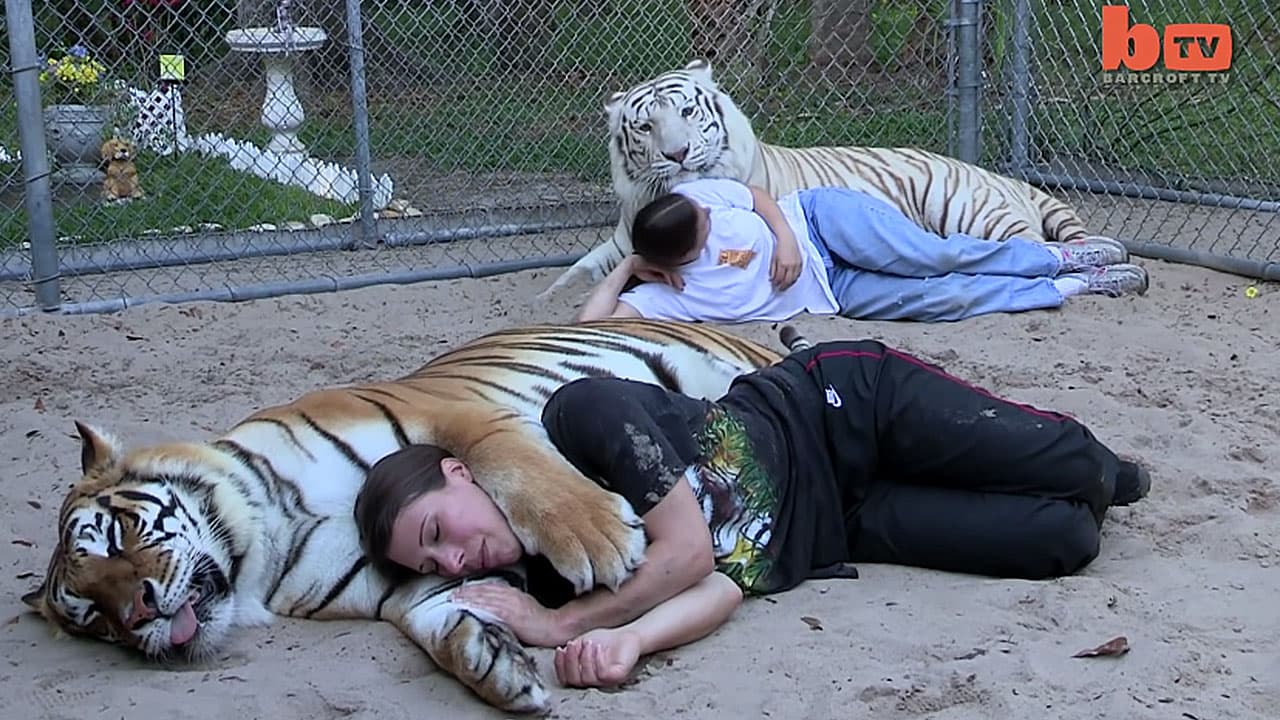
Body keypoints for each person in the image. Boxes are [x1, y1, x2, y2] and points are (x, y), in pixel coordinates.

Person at [353, 337, 1152, 690]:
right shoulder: (563, 576)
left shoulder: (577, 418)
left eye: (436, 533)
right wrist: (626, 639)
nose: (453, 563)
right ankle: (1078, 491)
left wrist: (566, 629)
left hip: (840, 407)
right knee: (1061, 539)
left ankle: (1106, 468)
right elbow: (727, 586)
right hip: (844, 522)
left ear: (461, 473)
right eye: (433, 567)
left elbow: (691, 552)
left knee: (1079, 470)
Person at [574, 178, 1150, 324]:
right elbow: (584, 329)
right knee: (941, 301)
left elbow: (757, 197)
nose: (709, 215)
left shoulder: (687, 199)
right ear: (683, 253)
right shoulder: (665, 294)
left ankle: (1058, 257)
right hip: (830, 293)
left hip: (819, 222)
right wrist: (628, 266)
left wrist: (787, 239)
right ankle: (1068, 287)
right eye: (705, 226)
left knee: (932, 258)